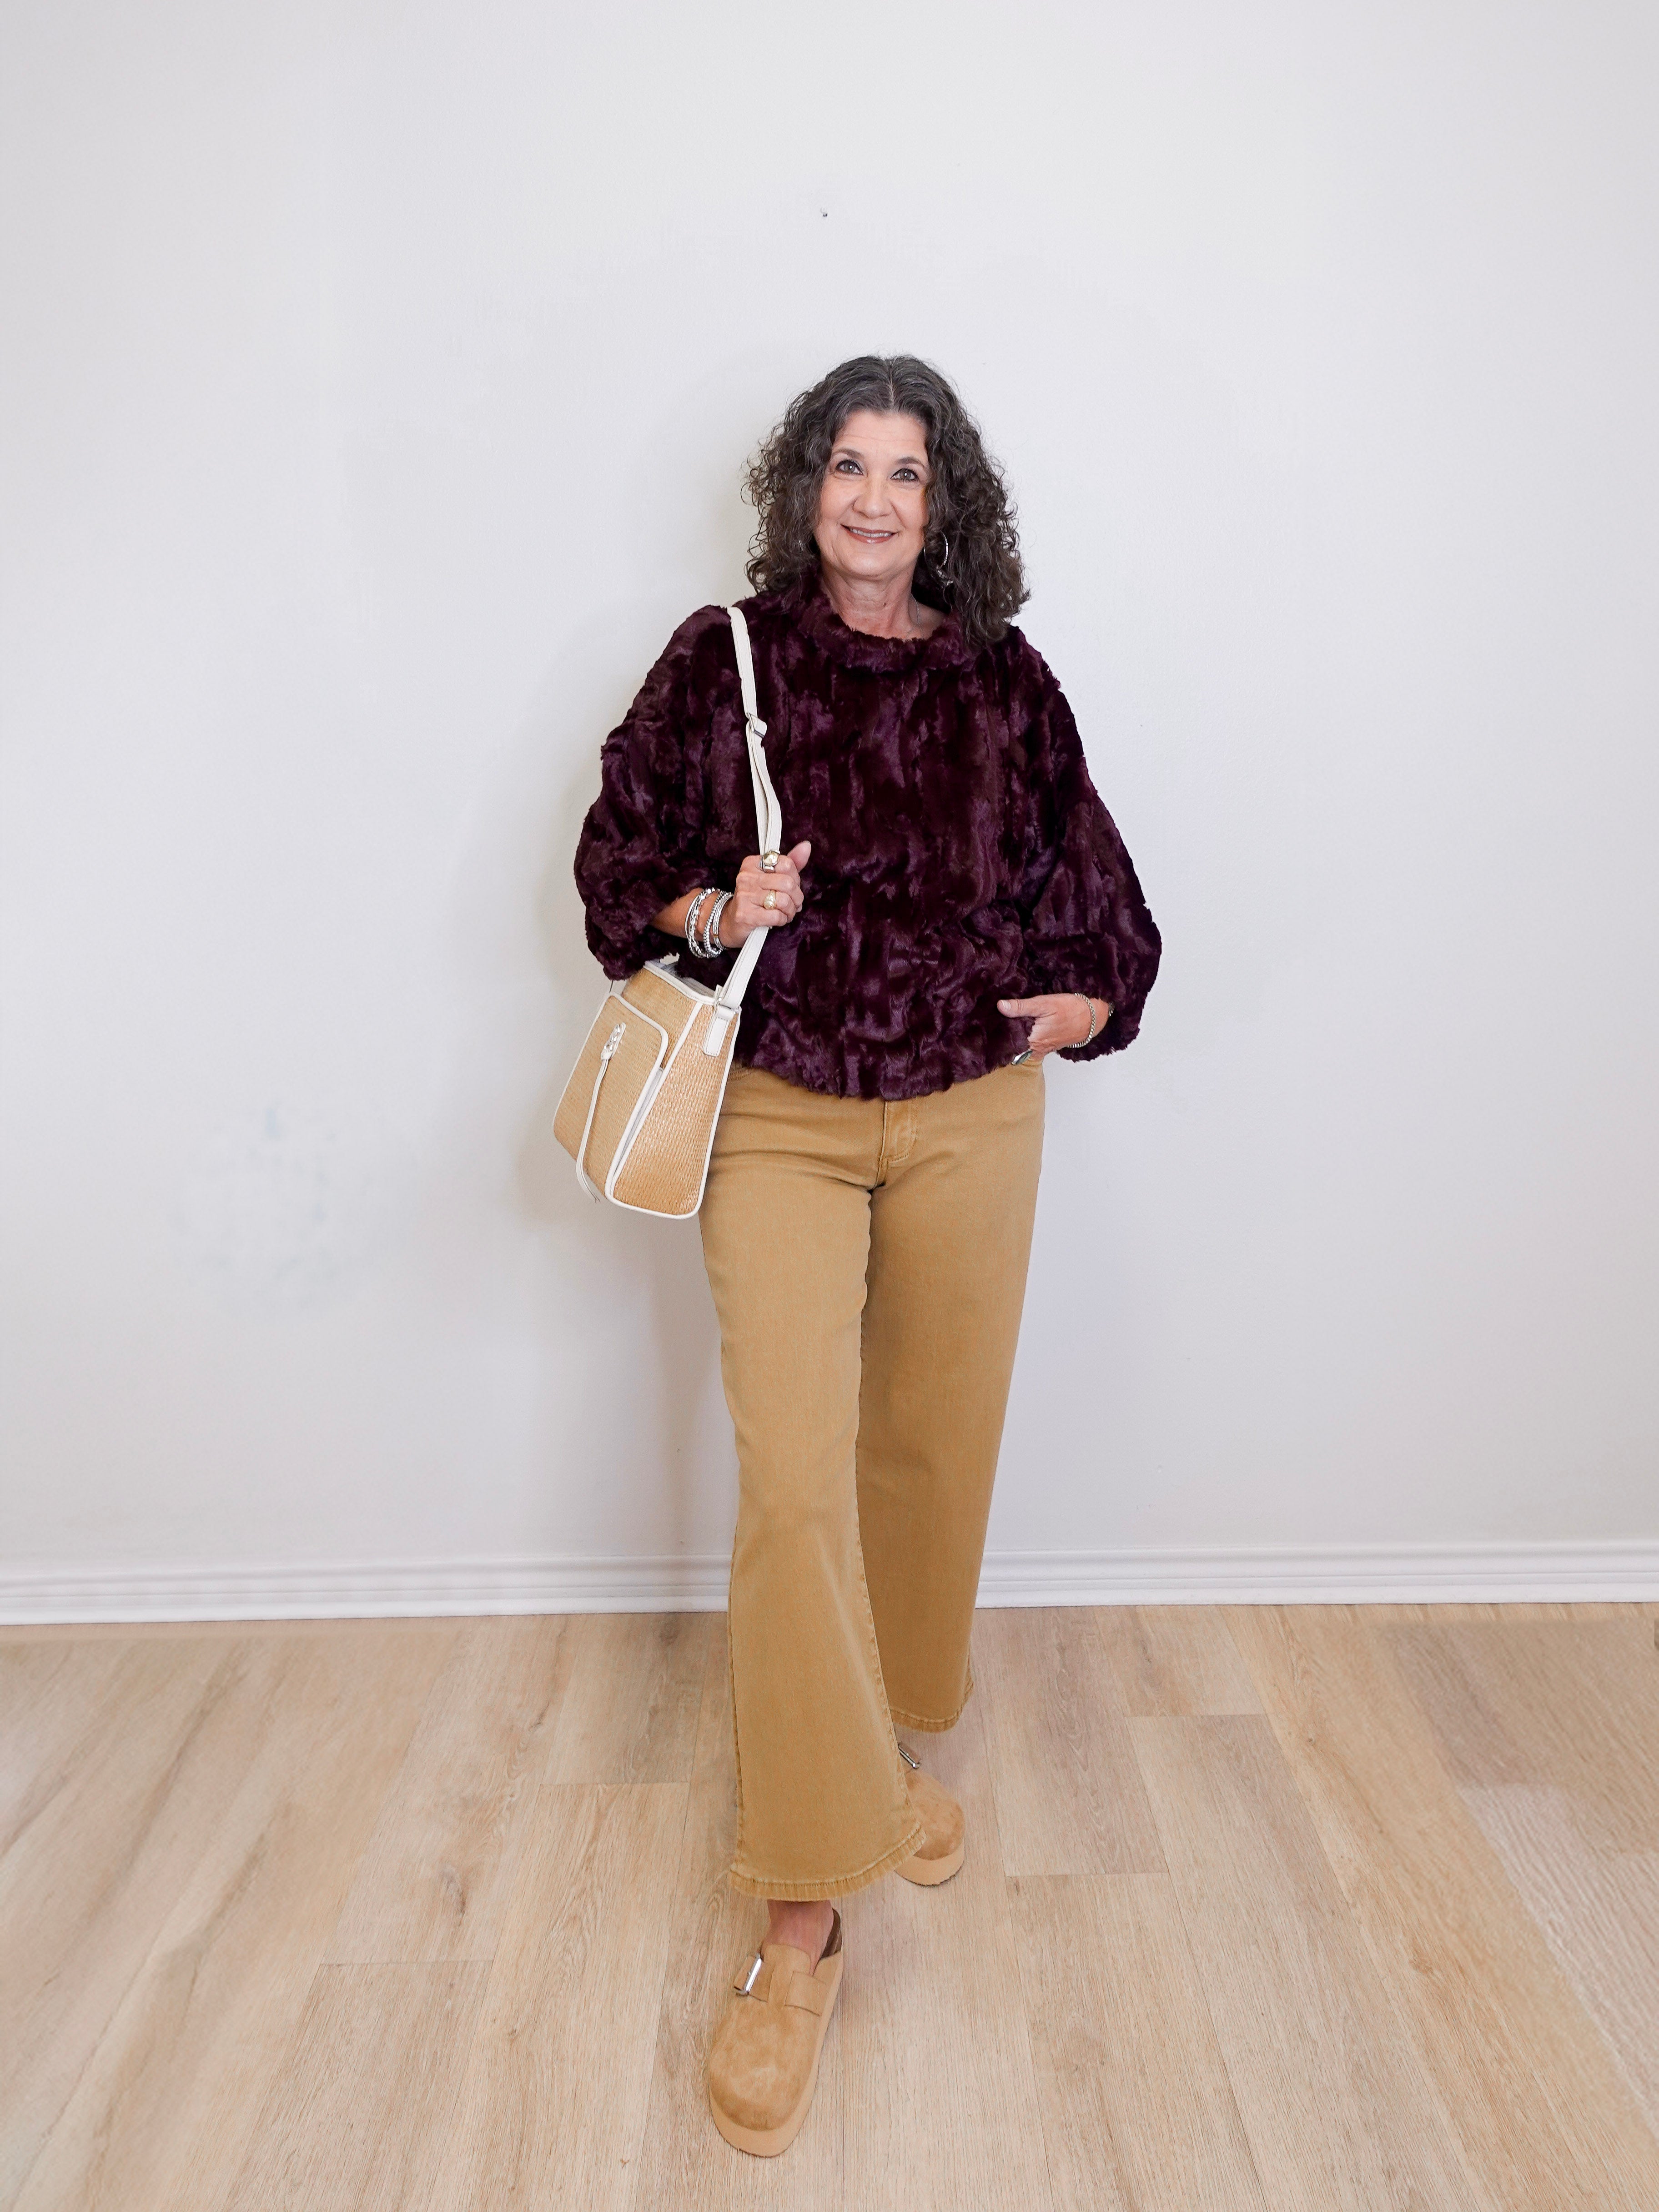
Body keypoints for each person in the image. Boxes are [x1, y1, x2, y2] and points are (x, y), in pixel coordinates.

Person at [574, 354, 1160, 2155]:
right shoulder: (722, 659)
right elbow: (613, 871)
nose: (878, 499)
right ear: (804, 487)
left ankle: (893, 1740)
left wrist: (1101, 993)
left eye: (910, 471)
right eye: (850, 464)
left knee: (931, 1449)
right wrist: (709, 902)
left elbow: (1104, 890)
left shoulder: (1004, 676)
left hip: (978, 1106)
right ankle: (805, 1915)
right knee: (794, 1483)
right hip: (786, 1111)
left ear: (947, 499)